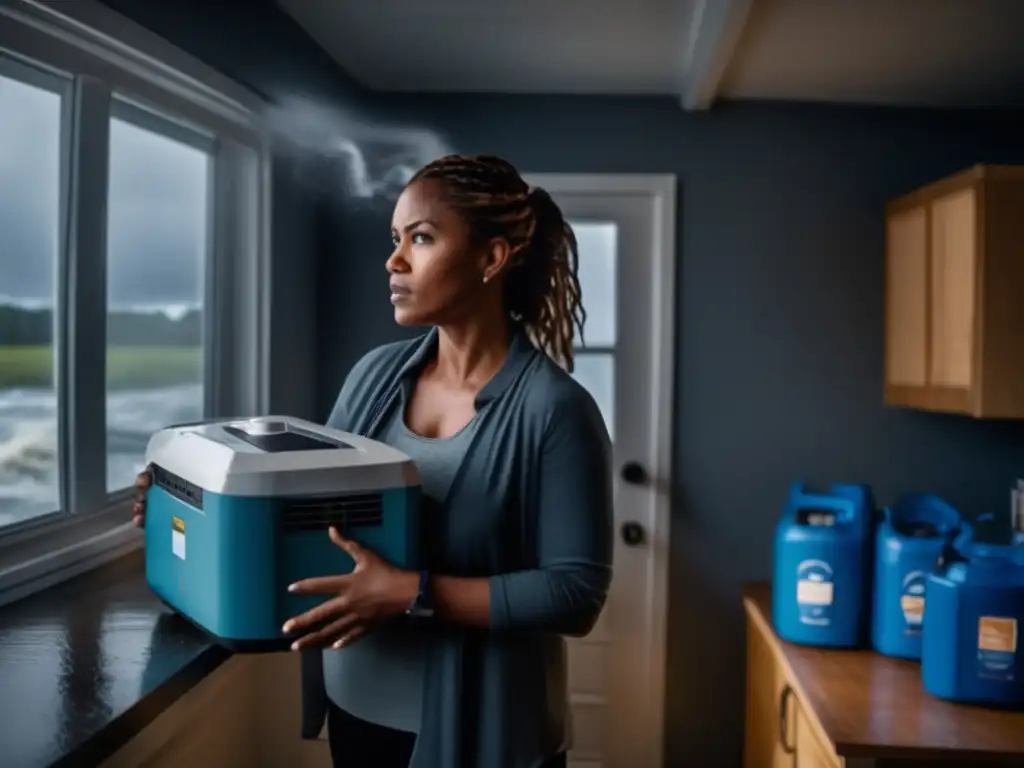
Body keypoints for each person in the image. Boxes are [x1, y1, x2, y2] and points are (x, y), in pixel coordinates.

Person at [132, 154, 614, 768]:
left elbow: (575, 593)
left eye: (421, 238)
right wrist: (186, 507)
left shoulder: (555, 410)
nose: (394, 261)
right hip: (356, 712)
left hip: (485, 735)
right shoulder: (375, 375)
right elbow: (305, 514)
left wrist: (411, 592)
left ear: (492, 258)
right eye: (395, 239)